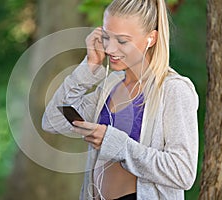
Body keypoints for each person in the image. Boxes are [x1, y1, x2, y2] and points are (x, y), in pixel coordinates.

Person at [42, 0, 199, 199]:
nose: (110, 49)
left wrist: (116, 143)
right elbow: (52, 121)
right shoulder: (111, 86)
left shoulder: (174, 90)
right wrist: (89, 66)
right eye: (106, 37)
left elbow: (182, 173)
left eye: (122, 41)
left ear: (151, 38)